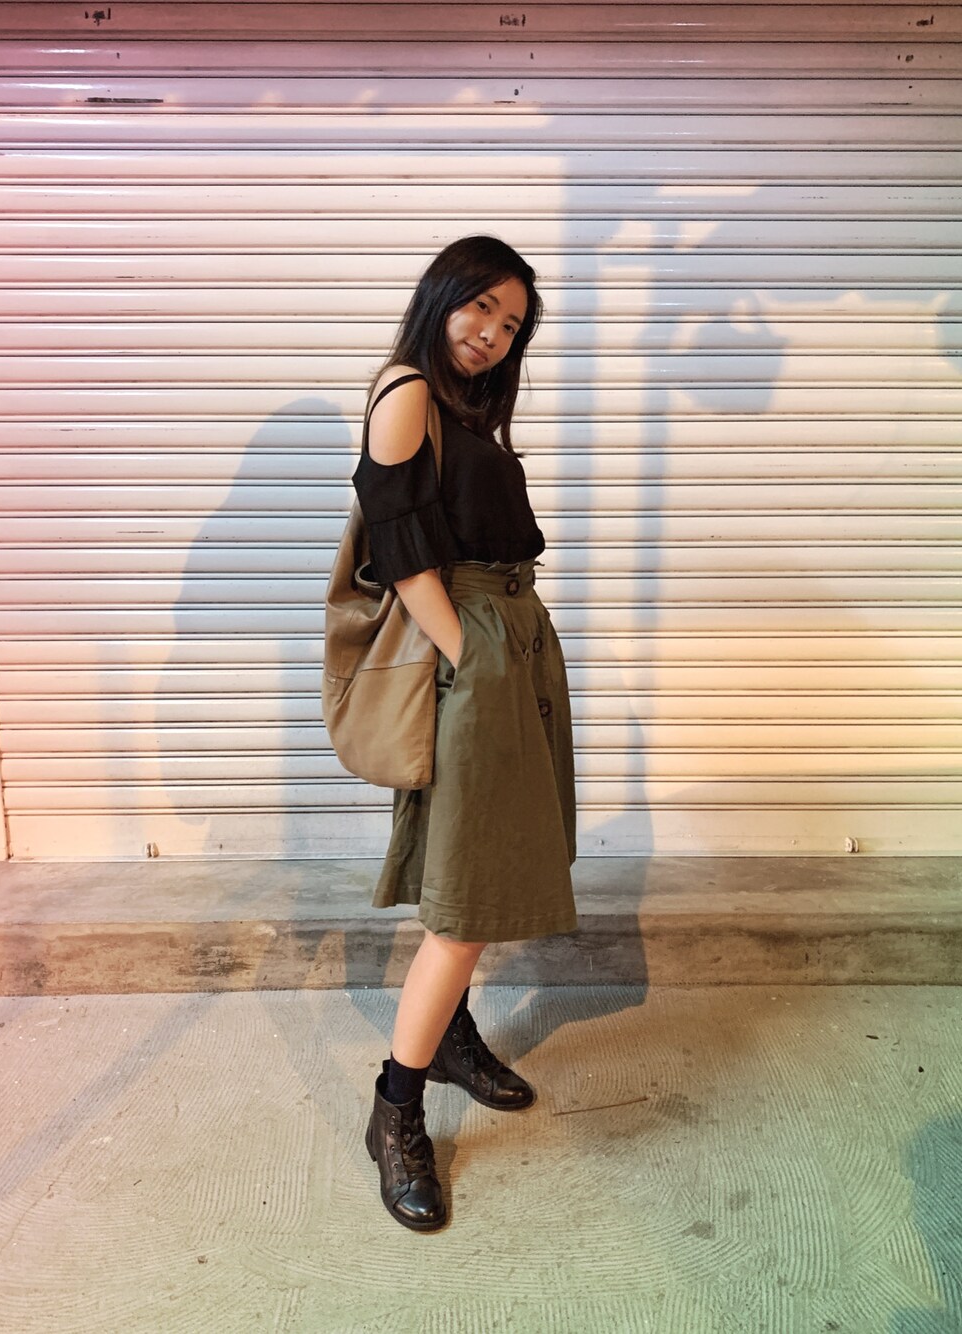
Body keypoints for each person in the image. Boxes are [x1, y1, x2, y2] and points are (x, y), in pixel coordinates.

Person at [351, 235, 578, 1232]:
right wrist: (467, 654)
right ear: (442, 294)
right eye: (481, 306)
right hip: (476, 637)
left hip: (509, 630)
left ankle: (447, 1036)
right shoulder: (406, 390)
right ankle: (396, 1108)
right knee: (466, 896)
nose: (492, 333)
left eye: (511, 323)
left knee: (482, 870)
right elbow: (399, 548)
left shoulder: (466, 408)